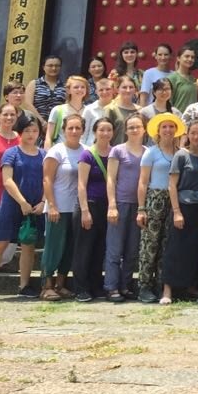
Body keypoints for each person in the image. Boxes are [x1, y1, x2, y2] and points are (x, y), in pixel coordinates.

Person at [135, 112, 184, 303]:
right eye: (164, 127)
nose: (168, 130)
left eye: (171, 127)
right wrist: (141, 208)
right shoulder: (151, 152)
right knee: (150, 243)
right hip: (154, 198)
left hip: (173, 200)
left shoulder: (180, 152)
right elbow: (142, 182)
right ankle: (144, 286)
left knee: (167, 244)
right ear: (158, 130)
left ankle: (163, 285)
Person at [0, 116, 47, 298]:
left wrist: (43, 202)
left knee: (29, 245)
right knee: (1, 242)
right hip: (13, 204)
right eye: (27, 130)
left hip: (35, 206)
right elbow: (8, 180)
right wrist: (22, 202)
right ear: (21, 132)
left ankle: (24, 285)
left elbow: (47, 180)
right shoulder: (11, 153)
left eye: (34, 131)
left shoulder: (43, 154)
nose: (31, 134)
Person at [163, 120, 198, 304]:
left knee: (196, 249)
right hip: (183, 206)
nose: (197, 136)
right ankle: (167, 289)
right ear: (187, 135)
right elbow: (172, 185)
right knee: (175, 249)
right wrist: (176, 211)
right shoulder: (181, 156)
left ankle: (190, 286)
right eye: (193, 133)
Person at [41, 112, 85, 300]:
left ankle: (61, 284)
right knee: (53, 246)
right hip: (57, 207)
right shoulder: (56, 151)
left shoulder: (86, 150)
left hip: (75, 208)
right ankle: (46, 285)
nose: (74, 131)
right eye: (70, 128)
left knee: (69, 248)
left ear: (83, 130)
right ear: (64, 130)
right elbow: (47, 179)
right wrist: (51, 205)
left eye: (78, 128)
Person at [104, 113, 146, 301]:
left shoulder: (148, 152)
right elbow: (111, 178)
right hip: (120, 203)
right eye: (131, 127)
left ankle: (126, 285)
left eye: (137, 126)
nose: (134, 130)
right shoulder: (118, 151)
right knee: (115, 248)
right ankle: (111, 287)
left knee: (132, 249)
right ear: (126, 130)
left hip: (139, 205)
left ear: (144, 129)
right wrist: (112, 205)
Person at [74, 118, 115, 301]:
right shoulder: (87, 154)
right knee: (84, 248)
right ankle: (81, 288)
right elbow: (81, 184)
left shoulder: (115, 153)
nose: (105, 133)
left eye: (109, 130)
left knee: (100, 248)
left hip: (107, 206)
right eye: (101, 130)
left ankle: (96, 285)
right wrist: (84, 210)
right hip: (89, 204)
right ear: (95, 132)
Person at [45, 75, 90, 148]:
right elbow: (48, 137)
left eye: (82, 87)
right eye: (76, 87)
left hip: (83, 153)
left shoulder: (90, 110)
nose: (79, 89)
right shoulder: (58, 110)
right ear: (68, 90)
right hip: (60, 152)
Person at [104, 76, 143, 147]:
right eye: (124, 87)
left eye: (131, 87)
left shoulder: (141, 111)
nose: (128, 90)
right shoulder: (111, 109)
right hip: (116, 153)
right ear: (117, 89)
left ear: (135, 90)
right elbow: (105, 134)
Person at [32, 54, 66, 120]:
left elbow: (66, 105)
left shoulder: (65, 86)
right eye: (50, 66)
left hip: (58, 123)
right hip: (36, 123)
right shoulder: (34, 83)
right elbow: (28, 104)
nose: (54, 68)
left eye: (57, 66)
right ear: (43, 67)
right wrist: (42, 122)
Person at [166, 46, 198, 112]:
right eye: (187, 56)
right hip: (178, 118)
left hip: (193, 119)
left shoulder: (194, 80)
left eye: (192, 57)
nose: (190, 59)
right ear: (178, 58)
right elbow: (168, 103)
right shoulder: (172, 79)